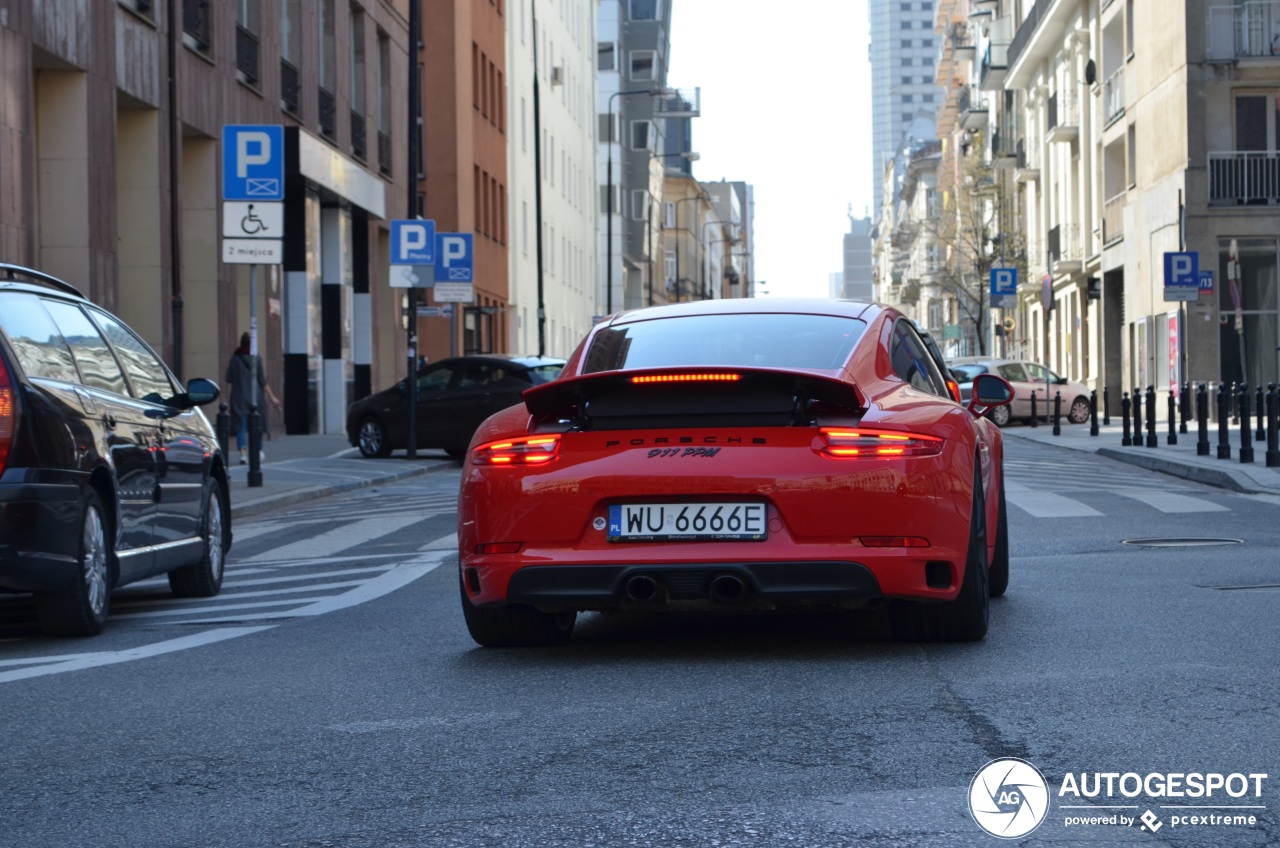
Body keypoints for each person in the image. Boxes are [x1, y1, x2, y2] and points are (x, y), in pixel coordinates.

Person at [226, 332, 282, 464]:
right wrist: (273, 398)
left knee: (241, 425)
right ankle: (257, 451)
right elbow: (263, 381)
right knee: (256, 425)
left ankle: (243, 454)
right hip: (255, 396)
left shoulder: (235, 358)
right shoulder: (256, 359)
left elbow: (228, 378)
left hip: (239, 396)